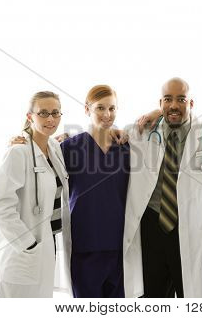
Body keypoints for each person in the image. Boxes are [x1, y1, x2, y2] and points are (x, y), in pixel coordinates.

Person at [122, 77, 202, 298]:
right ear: (160, 103)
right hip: (151, 227)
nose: (174, 105)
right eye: (168, 99)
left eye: (181, 99)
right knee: (154, 297)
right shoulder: (142, 131)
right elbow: (107, 137)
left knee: (192, 297)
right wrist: (62, 139)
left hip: (189, 226)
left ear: (191, 104)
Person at [0, 91, 72, 297]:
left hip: (48, 244)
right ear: (30, 116)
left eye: (55, 113)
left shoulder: (54, 147)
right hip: (25, 250)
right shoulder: (18, 152)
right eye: (43, 113)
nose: (50, 118)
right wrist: (28, 243)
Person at [60, 85, 130, 297]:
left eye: (112, 108)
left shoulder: (126, 147)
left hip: (120, 247)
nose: (107, 115)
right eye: (100, 108)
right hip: (84, 245)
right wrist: (21, 141)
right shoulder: (69, 148)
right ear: (87, 109)